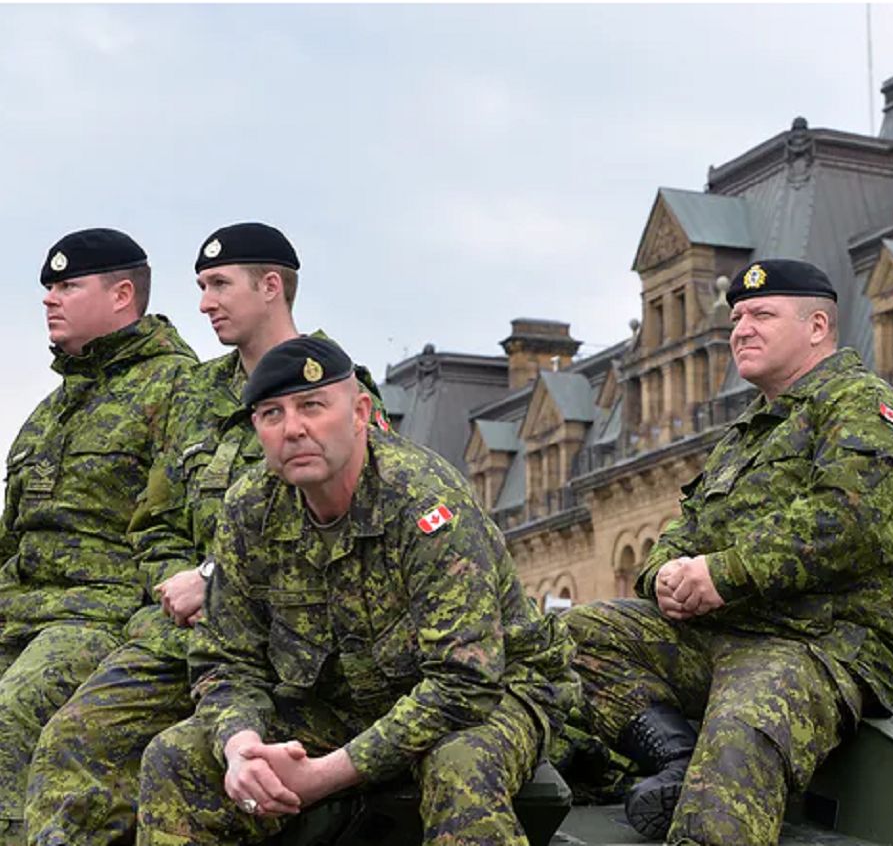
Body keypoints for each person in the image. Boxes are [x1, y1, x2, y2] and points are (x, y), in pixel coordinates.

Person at [25, 223, 392, 846]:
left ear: (271, 286)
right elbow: (156, 520)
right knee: (73, 739)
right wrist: (174, 582)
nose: (203, 303)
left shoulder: (335, 387)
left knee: (178, 763)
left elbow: (347, 522)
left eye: (219, 284)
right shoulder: (197, 393)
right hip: (182, 633)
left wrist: (214, 579)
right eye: (200, 286)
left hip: (287, 638)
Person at [134, 336, 579, 845]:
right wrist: (241, 746)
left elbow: (465, 682)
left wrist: (325, 774)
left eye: (312, 406)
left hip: (495, 691)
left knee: (459, 768)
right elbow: (225, 660)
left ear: (359, 412)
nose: (293, 428)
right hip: (343, 702)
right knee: (175, 757)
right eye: (272, 414)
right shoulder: (249, 508)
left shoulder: (424, 501)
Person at [564, 258, 893, 844]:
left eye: (762, 315)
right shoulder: (748, 433)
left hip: (817, 645)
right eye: (738, 317)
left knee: (742, 732)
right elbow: (685, 529)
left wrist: (723, 574)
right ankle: (677, 759)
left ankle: (704, 802)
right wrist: (663, 575)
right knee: (577, 635)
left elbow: (850, 522)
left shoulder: (863, 406)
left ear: (817, 327)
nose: (742, 328)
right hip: (721, 634)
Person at [0, 229, 196, 845]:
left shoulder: (177, 389)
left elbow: (186, 523)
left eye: (66, 286)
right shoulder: (52, 408)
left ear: (121, 296)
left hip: (99, 615)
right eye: (47, 289)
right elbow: (12, 534)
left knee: (13, 714)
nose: (49, 300)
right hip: (18, 613)